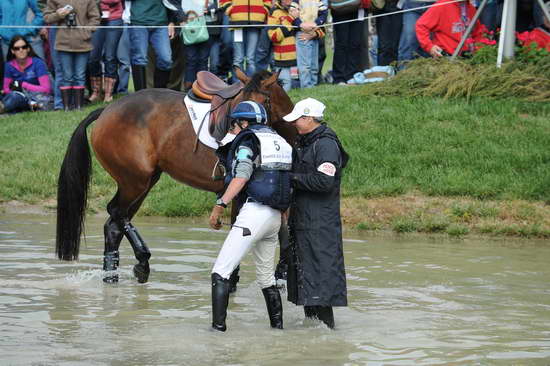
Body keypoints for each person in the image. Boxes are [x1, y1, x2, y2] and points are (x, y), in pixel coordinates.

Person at [208, 100, 292, 332]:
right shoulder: (279, 141)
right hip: (275, 217)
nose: (233, 129)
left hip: (254, 214)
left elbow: (242, 175)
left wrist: (220, 204)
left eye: (235, 124)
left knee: (220, 272)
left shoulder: (248, 140)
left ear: (244, 122)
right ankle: (278, 331)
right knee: (267, 280)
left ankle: (217, 333)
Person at [282, 97, 349, 329]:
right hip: (304, 221)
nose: (294, 124)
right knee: (307, 283)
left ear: (309, 118)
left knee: (320, 282)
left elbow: (324, 182)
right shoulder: (306, 142)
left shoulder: (326, 145)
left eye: (298, 119)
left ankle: (327, 334)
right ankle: (314, 337)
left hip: (320, 225)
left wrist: (290, 179)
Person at [44, 0, 100, 110]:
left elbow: (95, 18)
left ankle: (79, 106)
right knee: (66, 76)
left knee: (80, 75)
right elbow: (47, 17)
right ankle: (65, 107)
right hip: (63, 43)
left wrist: (86, 32)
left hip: (83, 43)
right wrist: (58, 15)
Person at [122, 0, 185, 91]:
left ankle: (158, 95)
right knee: (140, 59)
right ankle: (140, 95)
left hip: (161, 23)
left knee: (166, 59)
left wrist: (174, 20)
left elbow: (173, 3)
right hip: (138, 22)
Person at [415, 0, 487, 58]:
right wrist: (429, 46)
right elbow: (421, 25)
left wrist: (479, 50)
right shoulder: (442, 5)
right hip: (447, 57)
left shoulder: (471, 8)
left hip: (467, 56)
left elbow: (477, 32)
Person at [1, 35, 52, 114]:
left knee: (22, 103)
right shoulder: (9, 65)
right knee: (14, 97)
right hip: (18, 97)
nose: (21, 50)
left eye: (24, 47)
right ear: (12, 51)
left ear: (28, 49)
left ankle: (5, 109)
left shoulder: (38, 63)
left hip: (35, 99)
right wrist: (17, 92)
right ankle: (8, 109)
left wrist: (23, 85)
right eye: (17, 48)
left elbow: (46, 89)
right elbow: (6, 89)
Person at [223, 0, 271, 78]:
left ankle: (251, 86)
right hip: (237, 22)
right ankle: (238, 85)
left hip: (255, 21)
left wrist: (264, 9)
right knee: (238, 59)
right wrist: (230, 8)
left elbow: (268, 1)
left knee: (251, 59)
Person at [88, 0, 124, 103]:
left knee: (110, 57)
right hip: (95, 18)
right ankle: (96, 92)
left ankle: (108, 93)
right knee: (92, 57)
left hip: (114, 18)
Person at [289, 0, 327, 88]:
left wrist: (315, 24)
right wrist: (301, 24)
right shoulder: (296, 1)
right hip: (302, 34)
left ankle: (313, 87)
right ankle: (306, 87)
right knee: (305, 66)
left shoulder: (318, 1)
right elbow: (292, 12)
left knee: (314, 65)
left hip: (314, 32)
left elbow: (324, 13)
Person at [267, 0, 298, 91]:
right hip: (283, 60)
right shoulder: (274, 12)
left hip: (300, 59)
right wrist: (290, 19)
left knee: (299, 87)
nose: (288, 1)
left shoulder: (299, 9)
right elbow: (273, 37)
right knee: (285, 87)